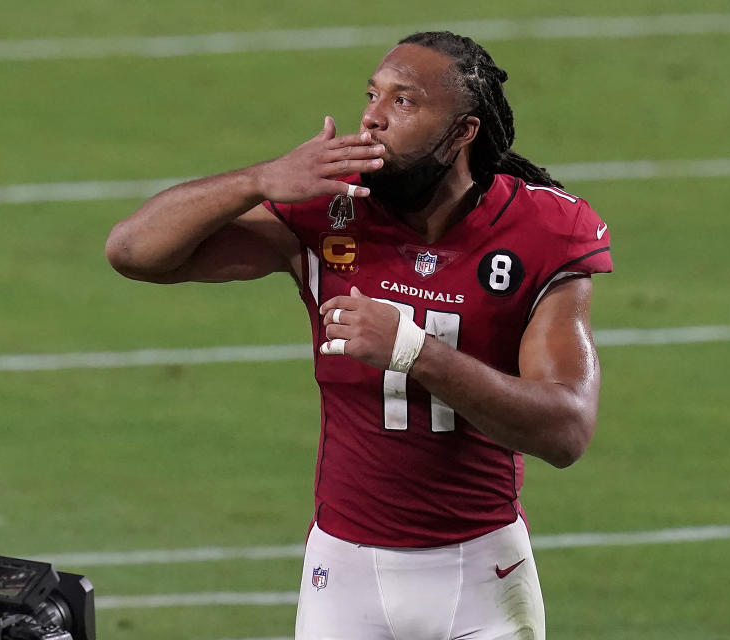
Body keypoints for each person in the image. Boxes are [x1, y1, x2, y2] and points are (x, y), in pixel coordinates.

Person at [106, 31, 611, 640]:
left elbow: (566, 431)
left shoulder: (545, 228)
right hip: (342, 574)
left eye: (404, 101)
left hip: (479, 574)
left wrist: (415, 352)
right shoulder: (331, 208)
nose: (371, 117)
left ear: (462, 133)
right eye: (372, 94)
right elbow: (133, 251)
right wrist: (259, 179)